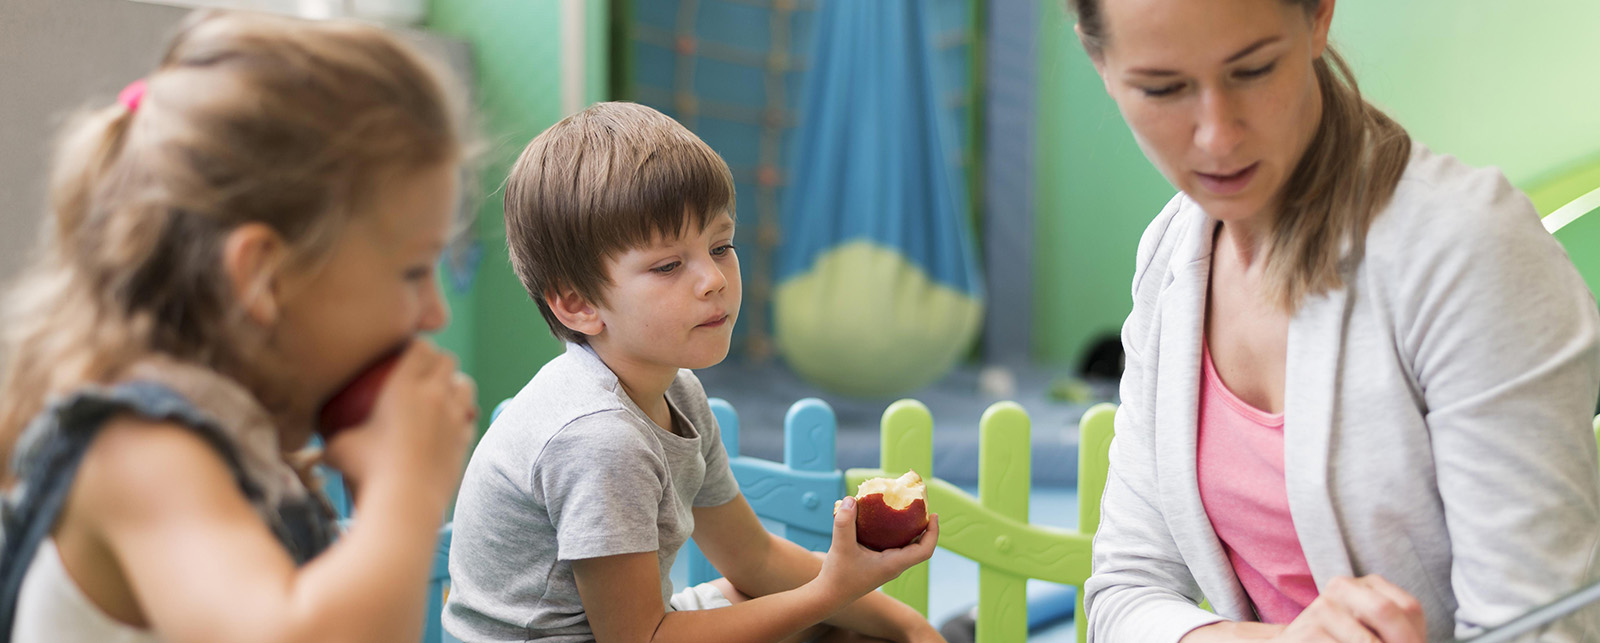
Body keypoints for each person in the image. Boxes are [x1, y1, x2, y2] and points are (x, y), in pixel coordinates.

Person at [1068, 0, 1600, 641]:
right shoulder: (1172, 253)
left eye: (1254, 70)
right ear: (1100, 61)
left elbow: (1542, 628)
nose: (1217, 134)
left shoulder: (1468, 250)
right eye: (1162, 88)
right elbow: (1122, 593)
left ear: (1319, 15)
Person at [0, 11, 477, 642]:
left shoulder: (243, 449)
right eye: (414, 271)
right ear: (264, 277)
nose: (435, 313)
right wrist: (405, 489)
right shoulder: (142, 448)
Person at [444, 101, 943, 643]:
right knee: (815, 613)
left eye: (721, 246)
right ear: (578, 303)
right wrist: (829, 593)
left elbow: (753, 559)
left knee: (819, 618)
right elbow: (643, 640)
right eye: (667, 265)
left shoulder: (678, 392)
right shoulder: (599, 437)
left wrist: (909, 627)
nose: (713, 279)